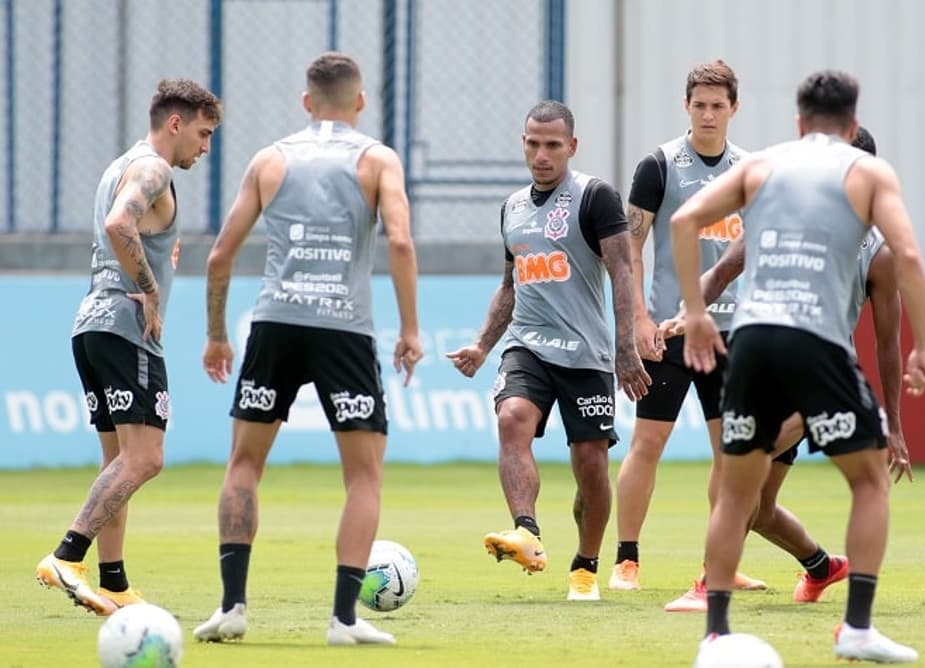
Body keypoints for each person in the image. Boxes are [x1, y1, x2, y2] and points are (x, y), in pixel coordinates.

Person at [671, 70, 925, 663]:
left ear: (798, 121)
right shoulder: (867, 170)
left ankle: (715, 632)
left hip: (754, 339)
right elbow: (911, 254)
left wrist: (694, 313)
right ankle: (857, 627)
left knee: (736, 496)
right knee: (869, 480)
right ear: (853, 124)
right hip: (817, 342)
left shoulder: (763, 164)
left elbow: (683, 221)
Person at [193, 52, 422, 646]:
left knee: (243, 465)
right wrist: (410, 329)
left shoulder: (271, 159)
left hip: (275, 324)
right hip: (344, 329)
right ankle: (344, 620)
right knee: (363, 477)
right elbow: (399, 239)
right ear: (361, 102)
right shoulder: (377, 159)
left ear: (305, 101)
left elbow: (220, 255)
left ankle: (232, 608)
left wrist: (217, 332)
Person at [446, 100, 651, 601]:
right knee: (511, 417)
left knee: (590, 465)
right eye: (533, 144)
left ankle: (585, 564)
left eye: (553, 145)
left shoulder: (595, 197)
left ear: (572, 147)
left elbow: (622, 272)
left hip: (586, 354)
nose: (542, 155)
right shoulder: (511, 208)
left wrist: (626, 349)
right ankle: (526, 533)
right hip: (528, 344)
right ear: (523, 143)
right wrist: (482, 344)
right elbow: (510, 283)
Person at [34, 80, 222, 616]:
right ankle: (68, 555)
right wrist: (149, 287)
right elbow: (121, 223)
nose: (205, 148)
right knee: (147, 458)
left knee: (117, 461)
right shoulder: (154, 168)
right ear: (176, 124)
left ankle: (113, 582)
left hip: (91, 323)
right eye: (203, 134)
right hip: (125, 327)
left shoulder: (119, 164)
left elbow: (118, 224)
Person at [608, 60, 766, 594]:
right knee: (647, 442)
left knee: (732, 455)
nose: (707, 114)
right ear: (686, 106)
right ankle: (626, 558)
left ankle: (716, 566)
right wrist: (638, 318)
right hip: (670, 332)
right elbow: (630, 246)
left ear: (734, 109)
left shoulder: (750, 169)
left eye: (717, 105)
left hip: (732, 333)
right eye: (699, 104)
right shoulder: (659, 166)